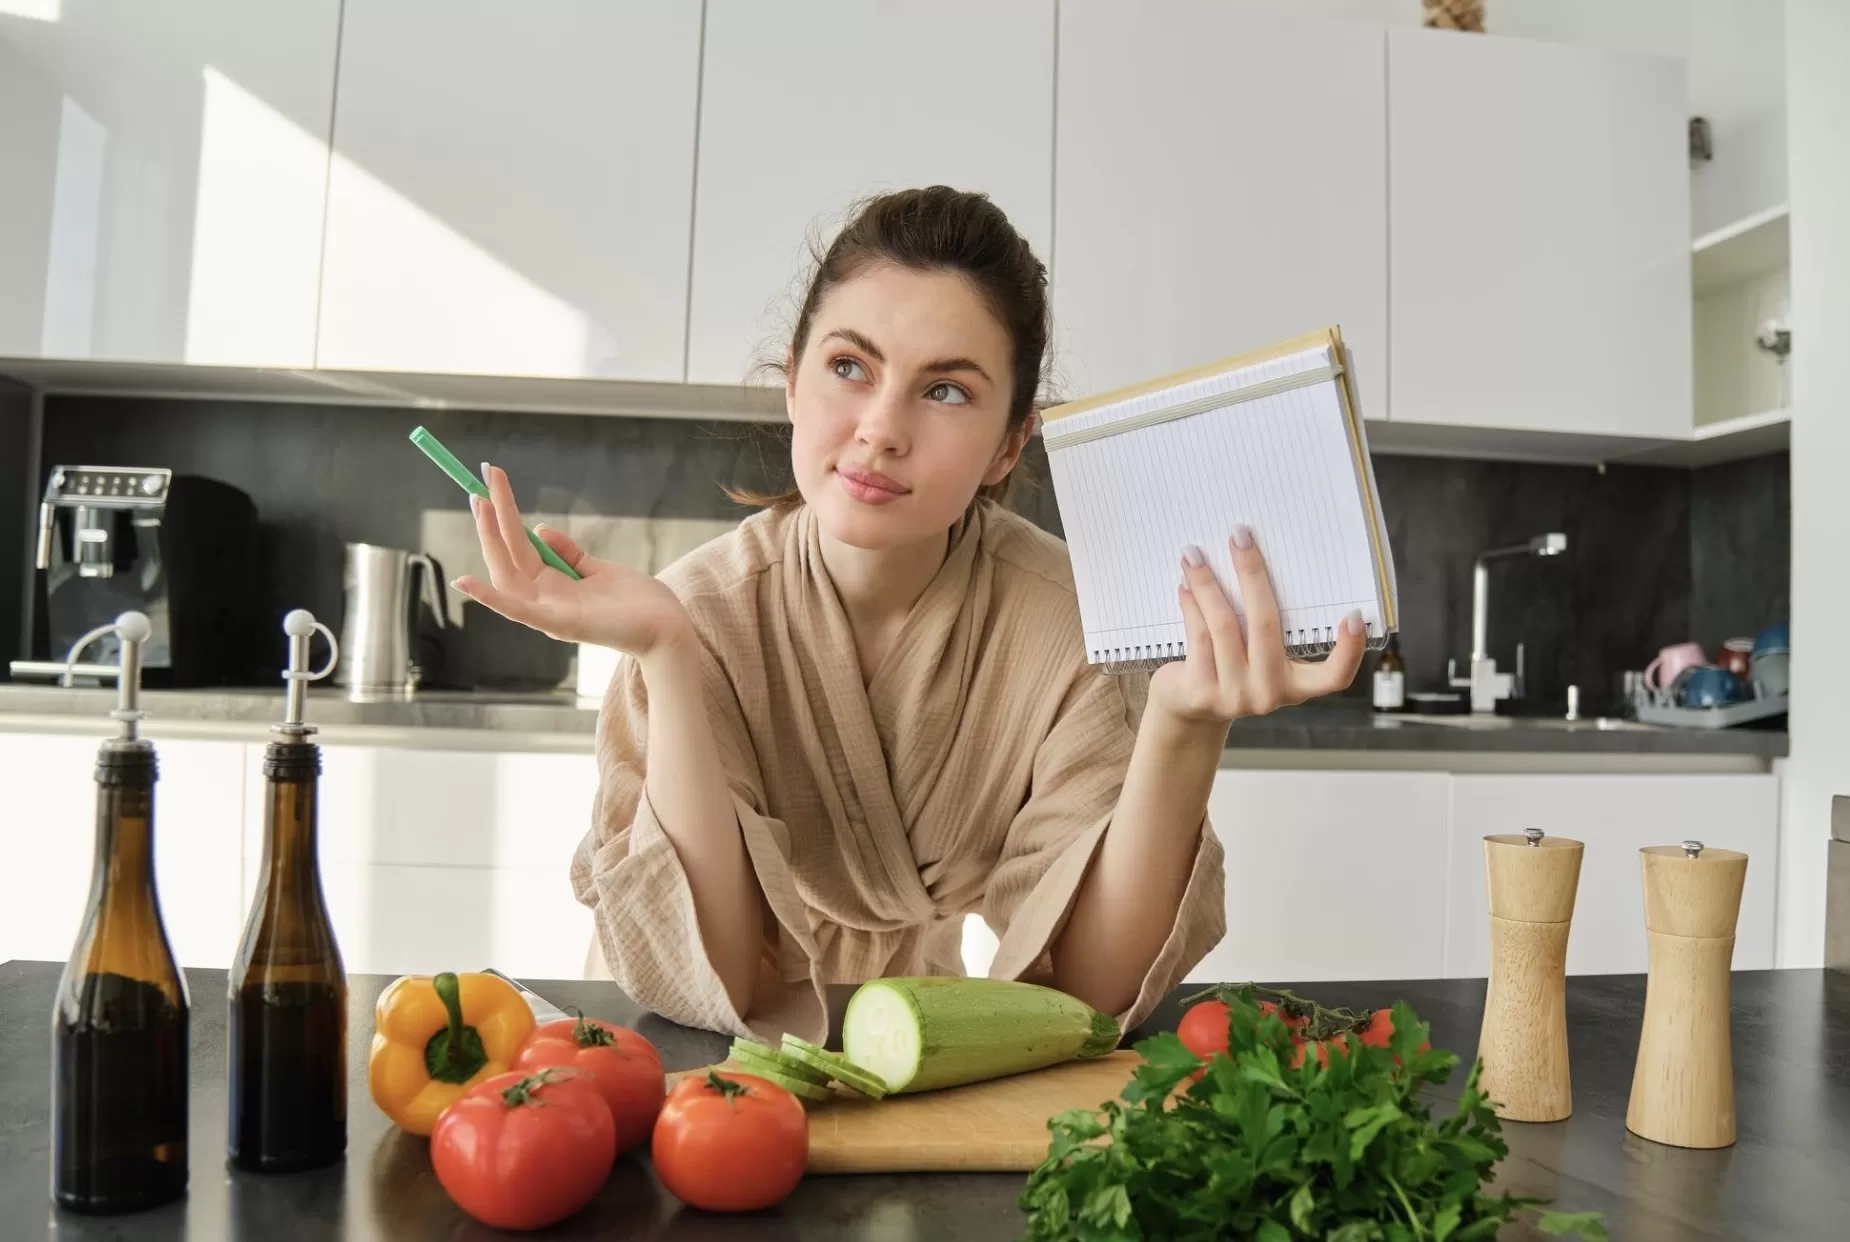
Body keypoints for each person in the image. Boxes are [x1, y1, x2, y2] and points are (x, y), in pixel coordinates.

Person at [453, 185, 1367, 1043]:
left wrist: (1183, 727)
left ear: (1012, 441)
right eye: (850, 367)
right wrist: (665, 653)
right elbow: (721, 977)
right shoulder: (694, 611)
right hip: (681, 1047)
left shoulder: (1071, 627)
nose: (881, 428)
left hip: (915, 1021)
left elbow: (1087, 993)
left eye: (946, 390)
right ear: (791, 384)